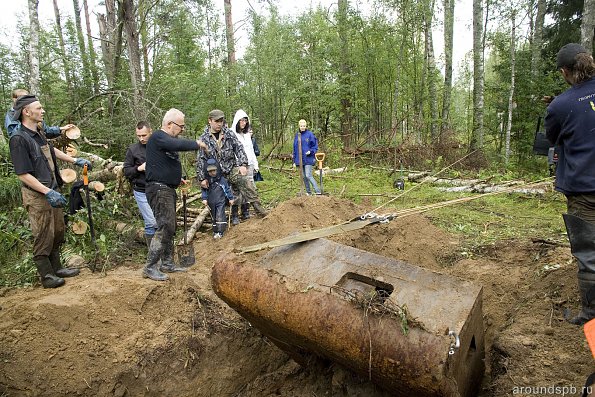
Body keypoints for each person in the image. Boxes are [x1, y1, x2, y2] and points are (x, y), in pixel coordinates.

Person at [8, 95, 92, 288]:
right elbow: (22, 174)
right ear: (26, 112)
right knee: (43, 234)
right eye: (39, 108)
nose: (42, 111)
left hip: (52, 189)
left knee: (57, 231)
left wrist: (74, 160)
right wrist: (47, 192)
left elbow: (52, 152)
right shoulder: (19, 139)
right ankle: (46, 276)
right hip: (38, 195)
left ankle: (57, 268)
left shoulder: (39, 132)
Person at [545, 43, 595, 325]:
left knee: (589, 253)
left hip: (585, 190)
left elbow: (553, 138)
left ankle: (591, 316)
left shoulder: (560, 106)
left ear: (565, 72)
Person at [142, 108, 207, 281]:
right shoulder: (158, 136)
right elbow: (176, 145)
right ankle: (150, 267)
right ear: (170, 124)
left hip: (167, 188)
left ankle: (167, 263)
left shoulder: (164, 141)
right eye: (181, 126)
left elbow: (161, 164)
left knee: (170, 226)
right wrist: (196, 144)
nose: (182, 129)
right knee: (165, 225)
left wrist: (177, 179)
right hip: (158, 188)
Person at [196, 109, 267, 226]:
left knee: (245, 182)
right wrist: (201, 178)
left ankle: (260, 210)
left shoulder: (228, 133)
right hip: (215, 173)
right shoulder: (204, 138)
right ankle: (226, 220)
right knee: (217, 197)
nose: (220, 124)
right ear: (210, 121)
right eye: (217, 121)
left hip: (230, 168)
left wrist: (243, 165)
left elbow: (239, 148)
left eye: (221, 121)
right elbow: (200, 159)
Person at [123, 121, 157, 248]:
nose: (141, 138)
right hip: (141, 191)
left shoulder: (158, 147)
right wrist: (139, 168)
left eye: (144, 135)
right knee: (151, 222)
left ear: (150, 132)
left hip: (158, 190)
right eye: (139, 136)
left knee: (160, 222)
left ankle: (161, 256)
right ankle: (153, 256)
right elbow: (127, 171)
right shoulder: (133, 150)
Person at [5, 89, 75, 139]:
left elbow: (46, 130)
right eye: (23, 98)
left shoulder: (35, 114)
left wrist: (61, 128)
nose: (27, 100)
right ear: (15, 99)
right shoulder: (11, 115)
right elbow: (14, 134)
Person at [231, 109, 259, 220]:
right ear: (237, 121)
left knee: (249, 188)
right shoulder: (232, 134)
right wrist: (238, 165)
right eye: (241, 121)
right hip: (238, 166)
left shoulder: (247, 135)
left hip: (249, 165)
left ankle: (245, 211)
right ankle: (234, 214)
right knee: (237, 190)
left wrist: (255, 164)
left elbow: (251, 150)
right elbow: (232, 151)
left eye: (245, 121)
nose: (243, 123)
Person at [201, 158, 235, 239]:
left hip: (220, 201)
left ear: (217, 170)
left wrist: (230, 198)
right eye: (210, 171)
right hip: (211, 202)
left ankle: (221, 231)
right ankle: (215, 230)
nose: (212, 173)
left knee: (220, 215)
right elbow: (204, 190)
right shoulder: (206, 181)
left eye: (214, 171)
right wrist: (204, 199)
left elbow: (227, 189)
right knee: (213, 216)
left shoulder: (222, 180)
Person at [293, 119, 321, 195]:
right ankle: (309, 192)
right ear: (299, 126)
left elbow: (315, 146)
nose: (303, 127)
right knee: (304, 177)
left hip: (308, 159)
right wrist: (294, 161)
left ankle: (318, 191)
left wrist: (311, 151)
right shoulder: (297, 135)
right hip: (299, 160)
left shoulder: (310, 134)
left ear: (306, 126)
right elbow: (295, 149)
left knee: (308, 175)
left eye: (304, 126)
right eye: (301, 126)